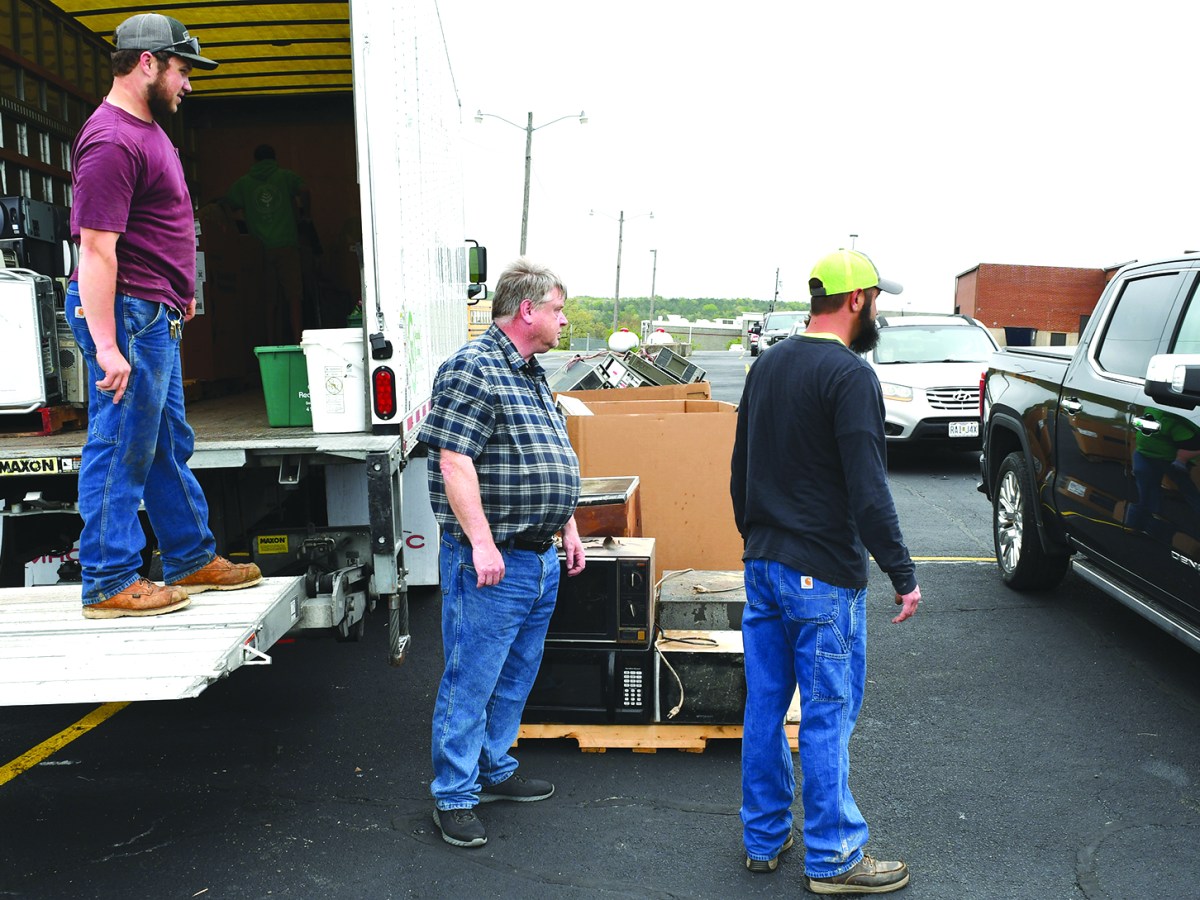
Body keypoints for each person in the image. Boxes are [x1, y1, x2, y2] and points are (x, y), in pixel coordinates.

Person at [730, 248, 922, 894]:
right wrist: (901, 572)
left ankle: (763, 838)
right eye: (877, 300)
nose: (878, 314)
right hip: (821, 575)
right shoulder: (849, 376)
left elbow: (740, 470)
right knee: (826, 713)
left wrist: (758, 540)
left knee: (764, 705)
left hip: (763, 564)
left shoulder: (767, 365)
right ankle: (835, 856)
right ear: (857, 300)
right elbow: (868, 488)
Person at [67, 13, 262, 620]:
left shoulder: (148, 131)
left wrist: (181, 289)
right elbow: (96, 251)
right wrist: (106, 345)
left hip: (154, 310)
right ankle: (107, 579)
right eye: (182, 70)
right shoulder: (111, 140)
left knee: (166, 442)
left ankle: (188, 556)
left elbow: (157, 223)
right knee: (122, 442)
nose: (188, 84)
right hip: (126, 314)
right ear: (147, 63)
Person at [419, 258, 586, 848]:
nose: (563, 320)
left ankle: (492, 767)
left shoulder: (531, 372)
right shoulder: (473, 367)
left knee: (515, 676)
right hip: (494, 562)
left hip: (537, 557)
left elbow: (549, 454)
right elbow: (453, 460)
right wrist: (482, 543)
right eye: (557, 310)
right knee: (471, 678)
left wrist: (567, 525)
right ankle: (454, 794)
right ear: (527, 309)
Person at [225, 144, 310, 343]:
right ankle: (298, 339)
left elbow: (227, 204)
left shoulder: (244, 183)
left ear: (255, 161)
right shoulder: (285, 177)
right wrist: (306, 215)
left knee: (269, 300)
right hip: (287, 243)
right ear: (274, 159)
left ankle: (270, 342)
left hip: (260, 248)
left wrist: (240, 224)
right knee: (294, 296)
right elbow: (305, 190)